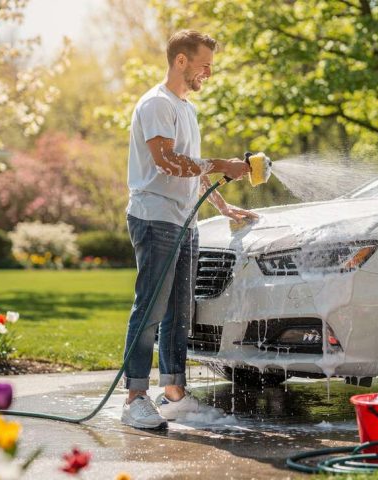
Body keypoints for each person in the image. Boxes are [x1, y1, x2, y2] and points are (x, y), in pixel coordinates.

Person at [121, 29, 257, 429]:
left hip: (184, 221)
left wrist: (222, 205)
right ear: (181, 61)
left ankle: (174, 393)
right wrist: (221, 165)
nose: (208, 74)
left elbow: (191, 172)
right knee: (150, 307)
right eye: (204, 65)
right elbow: (166, 161)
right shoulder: (155, 104)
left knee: (180, 312)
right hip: (154, 217)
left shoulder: (188, 109)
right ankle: (134, 398)